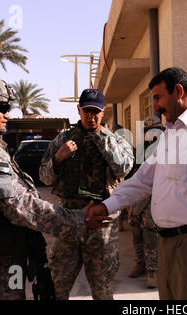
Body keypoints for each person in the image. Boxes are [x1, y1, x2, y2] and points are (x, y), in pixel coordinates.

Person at [87, 67, 187, 300]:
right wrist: (106, 206)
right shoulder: (171, 133)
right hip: (167, 245)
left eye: (158, 98)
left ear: (178, 91)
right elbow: (144, 179)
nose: (155, 106)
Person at [0, 74, 90, 300]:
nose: (7, 114)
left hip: (8, 259)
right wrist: (78, 219)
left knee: (18, 293)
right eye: (2, 107)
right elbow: (21, 207)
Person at [39, 88, 134, 300]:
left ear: (104, 111)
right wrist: (58, 158)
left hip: (102, 224)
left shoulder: (116, 140)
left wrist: (101, 139)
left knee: (103, 291)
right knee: (56, 287)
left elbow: (123, 168)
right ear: (78, 110)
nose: (91, 116)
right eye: (87, 111)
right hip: (67, 221)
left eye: (96, 111)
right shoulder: (63, 139)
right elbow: (44, 178)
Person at [127, 116, 163, 289]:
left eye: (153, 130)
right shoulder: (140, 149)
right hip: (138, 198)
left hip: (155, 197)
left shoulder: (167, 148)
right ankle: (140, 264)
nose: (150, 134)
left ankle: (152, 271)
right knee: (136, 232)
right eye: (147, 131)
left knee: (150, 235)